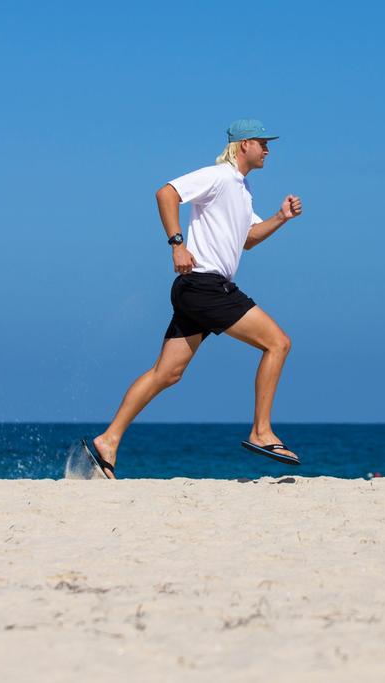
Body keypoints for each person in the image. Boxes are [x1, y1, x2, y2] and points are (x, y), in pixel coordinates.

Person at [82, 119, 303, 479]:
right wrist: (177, 244)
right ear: (243, 144)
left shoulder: (242, 189)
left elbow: (246, 237)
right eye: (263, 142)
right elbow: (166, 193)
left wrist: (280, 217)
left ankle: (109, 439)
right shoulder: (218, 176)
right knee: (278, 343)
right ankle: (261, 432)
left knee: (167, 373)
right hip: (205, 286)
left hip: (198, 290)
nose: (268, 149)